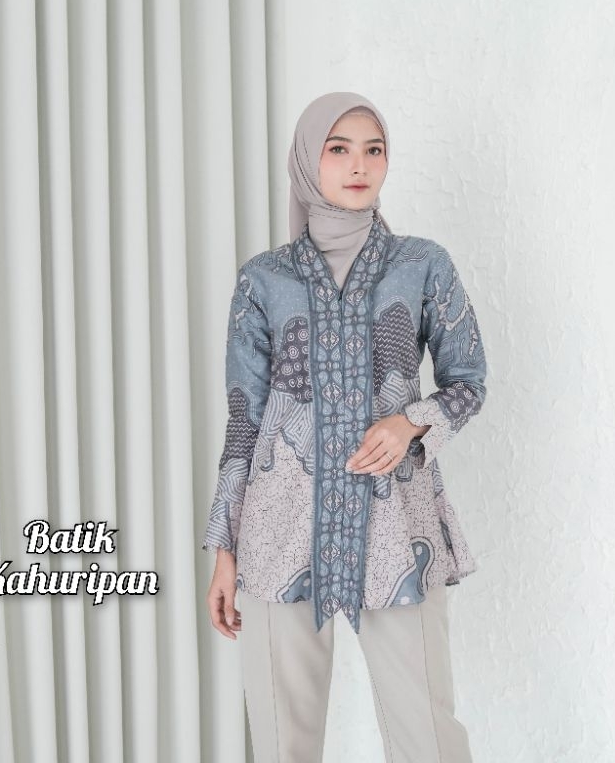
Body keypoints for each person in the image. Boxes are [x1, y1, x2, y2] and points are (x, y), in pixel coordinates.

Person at [202, 91, 487, 762]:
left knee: (428, 739)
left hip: (397, 530)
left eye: (373, 150)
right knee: (283, 743)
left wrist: (410, 423)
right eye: (339, 149)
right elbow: (244, 422)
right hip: (277, 531)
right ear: (308, 160)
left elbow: (468, 381)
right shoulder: (263, 281)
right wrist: (224, 548)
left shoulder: (422, 265)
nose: (359, 165)